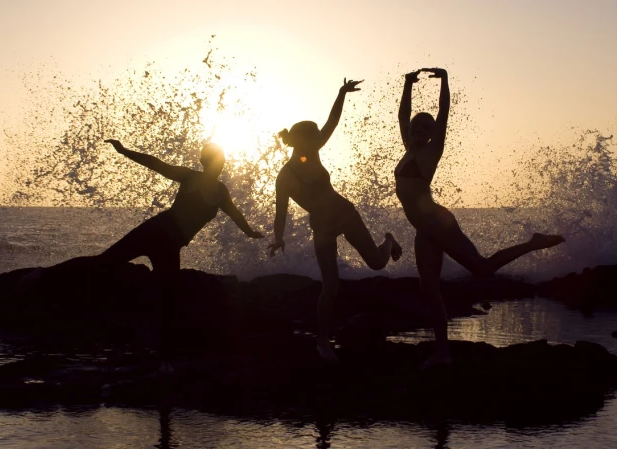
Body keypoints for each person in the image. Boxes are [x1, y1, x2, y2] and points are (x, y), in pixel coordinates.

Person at [396, 68, 565, 368]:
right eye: (415, 128)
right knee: (429, 289)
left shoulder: (431, 151)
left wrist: (445, 80)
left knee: (483, 268)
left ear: (432, 133)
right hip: (424, 231)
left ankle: (532, 243)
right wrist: (408, 85)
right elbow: (403, 115)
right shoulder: (408, 150)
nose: (418, 131)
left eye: (424, 128)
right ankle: (443, 352)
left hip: (437, 222)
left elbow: (443, 114)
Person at [269, 78, 402, 362]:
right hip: (322, 227)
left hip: (345, 214)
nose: (320, 140)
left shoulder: (313, 150)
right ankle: (322, 343)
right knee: (331, 285)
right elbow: (280, 213)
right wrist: (278, 238)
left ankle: (388, 240)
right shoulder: (286, 177)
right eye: (314, 137)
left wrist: (341, 93)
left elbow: (332, 122)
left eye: (318, 138)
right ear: (300, 140)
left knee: (377, 263)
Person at [102, 139, 264, 369]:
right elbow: (155, 164)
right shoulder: (190, 177)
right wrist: (124, 150)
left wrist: (250, 232)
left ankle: (164, 357)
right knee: (106, 262)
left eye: (222, 161)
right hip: (152, 232)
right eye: (214, 161)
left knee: (168, 298)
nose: (220, 165)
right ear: (204, 162)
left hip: (171, 245)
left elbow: (235, 214)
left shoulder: (220, 192)